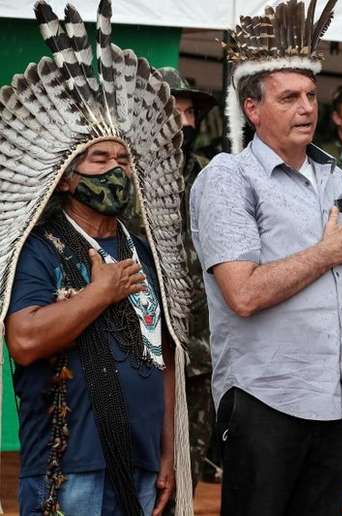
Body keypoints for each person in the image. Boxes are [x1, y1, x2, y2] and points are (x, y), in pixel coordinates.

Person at [0, 1, 193, 514]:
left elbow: (165, 353)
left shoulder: (142, 250)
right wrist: (99, 293)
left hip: (144, 462)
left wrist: (169, 453)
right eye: (100, 159)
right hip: (71, 467)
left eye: (124, 160)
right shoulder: (38, 250)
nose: (117, 171)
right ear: (67, 176)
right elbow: (23, 340)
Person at [189, 1, 342, 513]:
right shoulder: (229, 178)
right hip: (264, 399)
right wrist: (324, 253)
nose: (306, 108)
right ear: (253, 109)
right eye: (289, 97)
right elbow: (243, 293)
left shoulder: (334, 176)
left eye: (312, 95)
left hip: (336, 397)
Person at [157, 67, 218, 494]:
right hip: (140, 356)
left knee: (185, 479)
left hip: (201, 353)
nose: (184, 122)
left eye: (190, 112)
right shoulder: (119, 177)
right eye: (172, 111)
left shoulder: (213, 176)